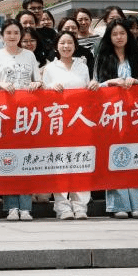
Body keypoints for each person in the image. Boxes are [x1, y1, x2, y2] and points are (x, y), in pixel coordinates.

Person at [95, 18, 138, 218]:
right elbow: (95, 86)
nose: (119, 37)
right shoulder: (103, 58)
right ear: (109, 37)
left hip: (135, 115)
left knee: (136, 157)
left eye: (122, 33)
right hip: (111, 115)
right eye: (115, 34)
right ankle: (118, 204)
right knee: (115, 157)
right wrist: (110, 82)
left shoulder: (137, 58)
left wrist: (136, 82)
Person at [0, 19, 42, 220]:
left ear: (21, 35)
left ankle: (25, 207)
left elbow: (38, 80)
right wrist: (0, 85)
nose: (12, 36)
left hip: (26, 114)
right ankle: (11, 207)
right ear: (2, 36)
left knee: (25, 160)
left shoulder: (29, 55)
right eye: (8, 33)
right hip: (5, 114)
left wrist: (36, 84)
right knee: (8, 159)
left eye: (16, 33)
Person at [42, 30, 99, 220]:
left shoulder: (82, 66)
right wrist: (50, 88)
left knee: (81, 161)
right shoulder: (50, 68)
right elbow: (43, 96)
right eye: (62, 43)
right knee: (60, 164)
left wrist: (93, 85)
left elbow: (88, 90)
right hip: (59, 123)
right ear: (56, 46)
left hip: (80, 122)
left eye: (70, 43)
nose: (66, 46)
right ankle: (62, 206)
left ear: (75, 46)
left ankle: (80, 205)